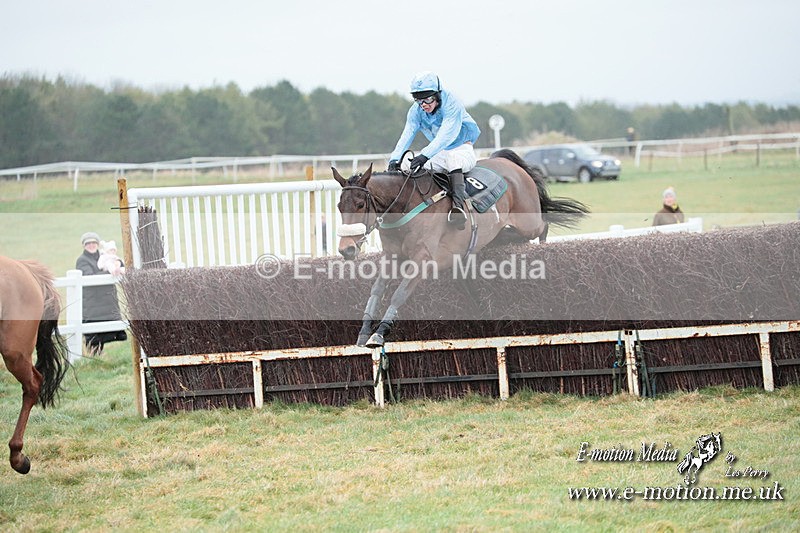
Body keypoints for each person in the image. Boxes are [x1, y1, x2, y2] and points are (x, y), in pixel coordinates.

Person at [387, 71, 481, 229]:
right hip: (438, 152)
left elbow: (446, 136)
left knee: (453, 160)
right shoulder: (415, 111)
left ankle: (458, 208)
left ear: (438, 94)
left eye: (428, 99)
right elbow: (407, 134)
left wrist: (425, 155)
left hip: (462, 148)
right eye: (419, 100)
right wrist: (394, 159)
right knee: (405, 165)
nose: (424, 104)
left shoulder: (452, 103)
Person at [76, 232, 127, 354]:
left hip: (107, 300)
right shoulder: (82, 260)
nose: (91, 245)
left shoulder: (104, 255)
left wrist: (118, 265)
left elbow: (118, 262)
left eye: (94, 243)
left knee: (108, 329)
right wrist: (111, 273)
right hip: (93, 302)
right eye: (88, 243)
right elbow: (89, 277)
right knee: (94, 334)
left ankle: (104, 356)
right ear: (84, 246)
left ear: (98, 244)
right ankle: (94, 356)